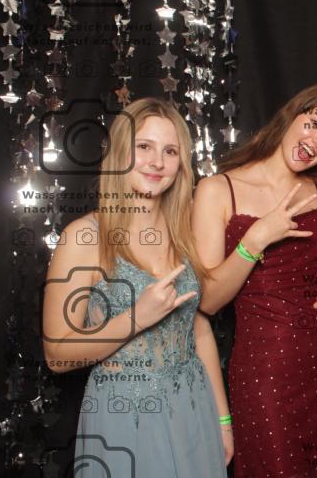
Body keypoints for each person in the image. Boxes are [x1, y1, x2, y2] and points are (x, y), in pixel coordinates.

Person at [42, 98, 231, 477]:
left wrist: (223, 420)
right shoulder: (84, 237)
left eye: (170, 151)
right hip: (125, 414)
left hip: (194, 405)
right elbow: (57, 355)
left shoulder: (184, 232)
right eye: (144, 146)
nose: (157, 162)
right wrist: (136, 318)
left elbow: (199, 328)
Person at [193, 84, 317, 477]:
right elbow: (209, 300)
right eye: (316, 123)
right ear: (292, 113)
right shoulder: (218, 190)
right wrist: (254, 240)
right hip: (263, 373)